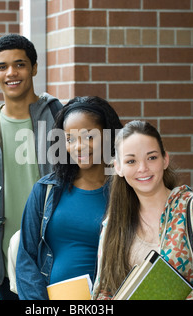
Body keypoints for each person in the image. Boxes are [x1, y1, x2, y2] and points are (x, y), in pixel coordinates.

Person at [0, 34, 62, 300]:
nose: (11, 73)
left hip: (62, 260)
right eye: (3, 66)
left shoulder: (62, 121)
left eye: (20, 64)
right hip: (9, 268)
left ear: (34, 67)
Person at [16, 96, 123, 300]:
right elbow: (26, 257)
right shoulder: (46, 190)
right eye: (70, 139)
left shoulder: (125, 193)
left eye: (89, 137)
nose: (78, 147)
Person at [92, 120, 193, 300]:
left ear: (165, 159)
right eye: (131, 161)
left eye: (152, 157)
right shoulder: (112, 224)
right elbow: (103, 291)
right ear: (118, 168)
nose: (143, 168)